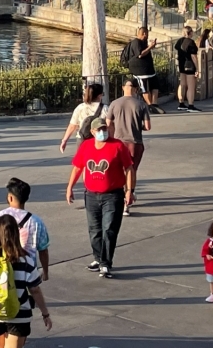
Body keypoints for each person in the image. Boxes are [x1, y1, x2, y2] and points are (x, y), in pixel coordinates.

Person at [0, 215, 52, 348]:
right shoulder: (25, 260)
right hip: (19, 314)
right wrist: (45, 313)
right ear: (15, 234)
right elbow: (35, 289)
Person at [66, 118, 134, 278]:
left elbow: (129, 168)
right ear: (92, 132)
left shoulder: (117, 146)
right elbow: (78, 167)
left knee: (109, 229)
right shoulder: (86, 146)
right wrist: (70, 187)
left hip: (112, 195)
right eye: (99, 130)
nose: (102, 132)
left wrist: (129, 190)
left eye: (104, 129)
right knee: (94, 230)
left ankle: (106, 263)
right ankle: (98, 258)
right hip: (91, 195)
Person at [0, 178, 51, 282]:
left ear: (10, 197)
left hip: (0, 272)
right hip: (26, 273)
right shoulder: (36, 221)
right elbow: (43, 250)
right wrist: (45, 272)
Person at [106, 78, 150, 216]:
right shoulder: (141, 104)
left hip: (118, 142)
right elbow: (148, 126)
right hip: (135, 142)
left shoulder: (114, 103)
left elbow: (108, 123)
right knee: (131, 170)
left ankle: (122, 198)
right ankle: (128, 197)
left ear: (122, 87)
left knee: (119, 171)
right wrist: (138, 126)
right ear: (136, 89)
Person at [59, 83, 108, 153]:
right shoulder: (105, 109)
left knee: (81, 162)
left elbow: (72, 126)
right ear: (99, 96)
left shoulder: (80, 107)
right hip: (99, 139)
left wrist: (64, 140)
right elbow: (109, 125)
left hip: (82, 139)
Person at [125, 26, 161, 114]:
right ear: (144, 34)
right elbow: (140, 54)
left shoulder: (143, 42)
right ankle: (150, 105)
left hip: (149, 70)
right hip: (141, 71)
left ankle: (154, 104)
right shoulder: (136, 42)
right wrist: (150, 47)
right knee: (145, 88)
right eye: (147, 34)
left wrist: (150, 47)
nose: (148, 36)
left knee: (155, 87)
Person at [175, 25, 200, 112]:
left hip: (181, 65)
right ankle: (191, 105)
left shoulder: (179, 41)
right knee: (191, 86)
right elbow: (193, 56)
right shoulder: (191, 42)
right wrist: (197, 68)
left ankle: (181, 103)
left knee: (182, 84)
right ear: (190, 33)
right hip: (189, 65)